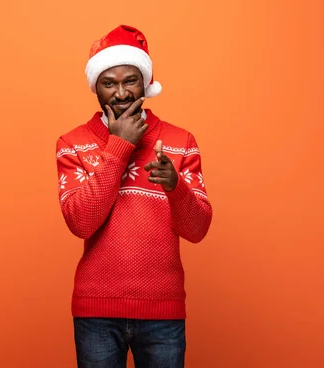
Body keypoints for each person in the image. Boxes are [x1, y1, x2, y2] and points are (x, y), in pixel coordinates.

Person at [54, 25, 213, 368]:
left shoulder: (179, 140)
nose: (121, 93)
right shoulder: (72, 143)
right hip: (97, 312)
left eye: (131, 81)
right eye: (109, 83)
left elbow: (197, 230)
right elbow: (81, 222)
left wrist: (176, 187)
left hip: (162, 312)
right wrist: (120, 145)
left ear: (146, 83)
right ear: (96, 86)